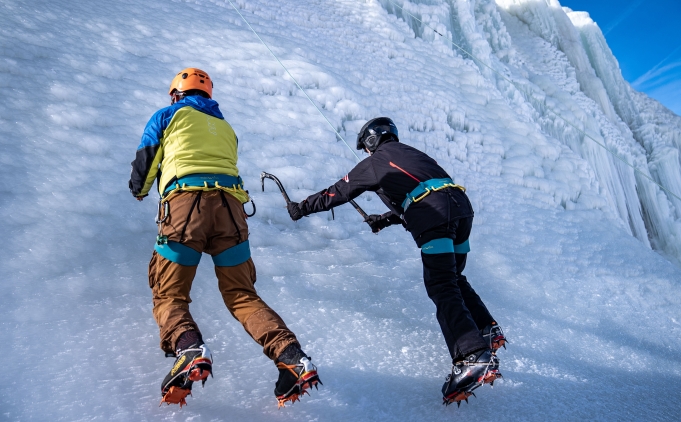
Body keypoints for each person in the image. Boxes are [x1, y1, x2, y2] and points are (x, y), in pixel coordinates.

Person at [129, 68, 319, 408]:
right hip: (231, 212)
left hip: (186, 209)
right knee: (242, 293)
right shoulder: (226, 127)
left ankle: (189, 348)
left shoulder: (167, 115)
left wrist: (139, 190)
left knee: (169, 293)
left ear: (176, 93)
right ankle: (292, 356)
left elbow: (146, 161)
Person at [286, 117, 506, 406]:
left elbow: (339, 191)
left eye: (365, 147)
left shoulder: (377, 159)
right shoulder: (412, 153)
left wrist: (301, 208)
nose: (366, 153)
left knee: (441, 285)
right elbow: (423, 189)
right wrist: (385, 219)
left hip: (434, 215)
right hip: (461, 210)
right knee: (453, 277)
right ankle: (487, 329)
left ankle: (472, 355)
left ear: (371, 141)